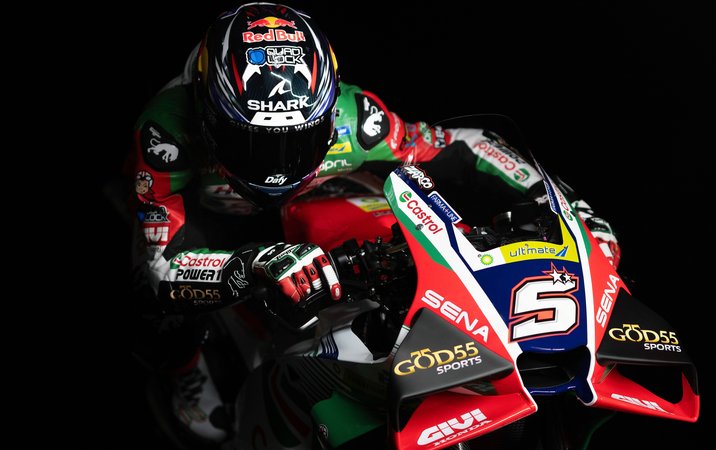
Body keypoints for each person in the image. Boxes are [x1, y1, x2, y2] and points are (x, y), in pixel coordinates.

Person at [126, 2, 621, 444]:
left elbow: (463, 143)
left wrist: (573, 209)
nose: (276, 164)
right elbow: (161, 266)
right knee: (149, 300)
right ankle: (185, 373)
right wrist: (255, 264)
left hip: (324, 205)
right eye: (252, 142)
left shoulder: (355, 119)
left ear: (325, 117)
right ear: (210, 118)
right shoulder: (166, 132)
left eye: (297, 141)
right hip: (211, 220)